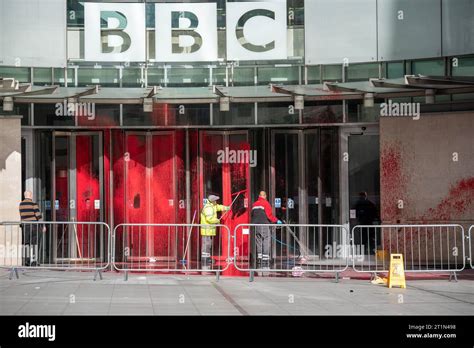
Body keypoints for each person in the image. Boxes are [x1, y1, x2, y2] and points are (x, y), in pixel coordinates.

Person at [251, 191, 282, 269]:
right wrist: (276, 221)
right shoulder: (266, 203)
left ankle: (259, 258)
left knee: (258, 241)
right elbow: (269, 216)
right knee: (266, 240)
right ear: (265, 196)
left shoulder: (254, 204)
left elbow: (252, 215)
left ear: (259, 196)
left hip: (256, 225)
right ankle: (265, 259)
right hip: (264, 225)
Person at [200, 195, 230, 267]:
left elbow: (219, 207)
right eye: (215, 200)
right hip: (206, 229)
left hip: (209, 229)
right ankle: (205, 258)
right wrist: (217, 221)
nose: (216, 201)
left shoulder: (213, 206)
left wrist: (226, 208)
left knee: (208, 244)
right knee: (206, 244)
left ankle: (207, 257)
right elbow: (209, 219)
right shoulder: (208, 208)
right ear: (212, 201)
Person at [19, 191, 46, 266]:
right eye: (31, 195)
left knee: (26, 243)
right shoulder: (33, 204)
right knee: (35, 244)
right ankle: (34, 261)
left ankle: (26, 261)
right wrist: (43, 226)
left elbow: (22, 216)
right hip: (34, 226)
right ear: (30, 195)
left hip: (25, 226)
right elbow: (38, 216)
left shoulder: (21, 204)